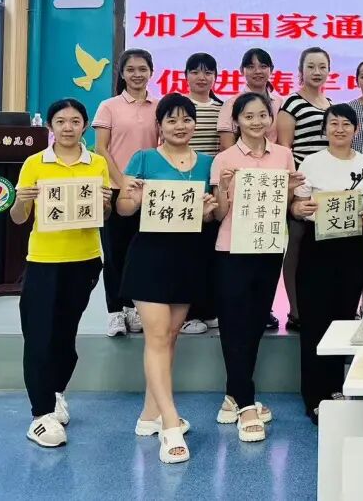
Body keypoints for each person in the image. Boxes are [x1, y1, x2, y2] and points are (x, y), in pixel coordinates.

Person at [115, 93, 218, 464]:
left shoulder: (207, 163)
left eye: (186, 119)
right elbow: (122, 208)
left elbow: (211, 215)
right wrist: (136, 198)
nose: (180, 126)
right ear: (159, 125)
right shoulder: (143, 159)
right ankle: (171, 425)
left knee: (171, 336)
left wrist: (209, 212)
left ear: (195, 124)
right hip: (151, 257)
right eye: (171, 120)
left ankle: (149, 414)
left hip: (188, 257)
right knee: (157, 337)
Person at [12, 98, 112, 448]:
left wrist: (105, 204)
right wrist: (22, 199)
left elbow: (104, 216)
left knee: (65, 336)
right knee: (39, 335)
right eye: (60, 121)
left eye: (75, 121)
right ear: (50, 126)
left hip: (84, 260)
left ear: (85, 125)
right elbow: (18, 218)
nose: (68, 127)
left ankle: (55, 392)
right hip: (43, 260)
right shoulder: (34, 163)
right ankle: (40, 415)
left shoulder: (97, 163)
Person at [210, 92, 301, 442]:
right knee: (234, 324)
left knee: (254, 324)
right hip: (231, 249)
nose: (256, 122)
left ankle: (233, 395)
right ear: (236, 121)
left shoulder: (283, 155)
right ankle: (247, 404)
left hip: (268, 248)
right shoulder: (224, 159)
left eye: (262, 115)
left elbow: (285, 206)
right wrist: (224, 189)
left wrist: (291, 191)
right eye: (248, 116)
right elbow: (218, 214)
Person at [289, 104, 363, 422]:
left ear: (356, 130)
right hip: (318, 246)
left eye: (346, 124)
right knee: (315, 321)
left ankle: (337, 387)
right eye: (333, 123)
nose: (339, 129)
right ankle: (314, 395)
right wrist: (299, 209)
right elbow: (297, 205)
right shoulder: (311, 162)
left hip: (353, 246)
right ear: (324, 129)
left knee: (343, 320)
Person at [92, 48, 158, 338]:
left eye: (142, 69)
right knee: (115, 253)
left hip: (149, 192)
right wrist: (122, 181)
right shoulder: (109, 106)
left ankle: (133, 307)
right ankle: (114, 312)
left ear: (151, 72)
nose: (137, 74)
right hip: (116, 188)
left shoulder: (159, 107)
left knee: (141, 253)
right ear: (121, 73)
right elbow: (101, 148)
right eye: (130, 69)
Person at [277, 47, 334, 333]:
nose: (316, 72)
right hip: (301, 185)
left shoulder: (331, 104)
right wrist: (294, 187)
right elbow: (285, 148)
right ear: (301, 70)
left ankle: (319, 304)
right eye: (311, 66)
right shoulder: (292, 103)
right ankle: (295, 310)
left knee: (319, 249)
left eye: (322, 67)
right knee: (296, 244)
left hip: (327, 188)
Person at [181, 52, 223, 335]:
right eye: (195, 71)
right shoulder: (179, 107)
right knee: (187, 254)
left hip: (212, 188)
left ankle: (208, 309)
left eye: (208, 72)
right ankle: (187, 313)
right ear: (186, 76)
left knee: (210, 250)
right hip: (182, 187)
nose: (202, 77)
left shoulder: (222, 108)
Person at [218, 48, 285, 149]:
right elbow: (226, 146)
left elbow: (284, 141)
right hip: (240, 158)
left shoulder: (280, 103)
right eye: (251, 67)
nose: (257, 71)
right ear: (242, 70)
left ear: (271, 69)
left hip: (275, 158)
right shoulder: (231, 104)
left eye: (263, 66)